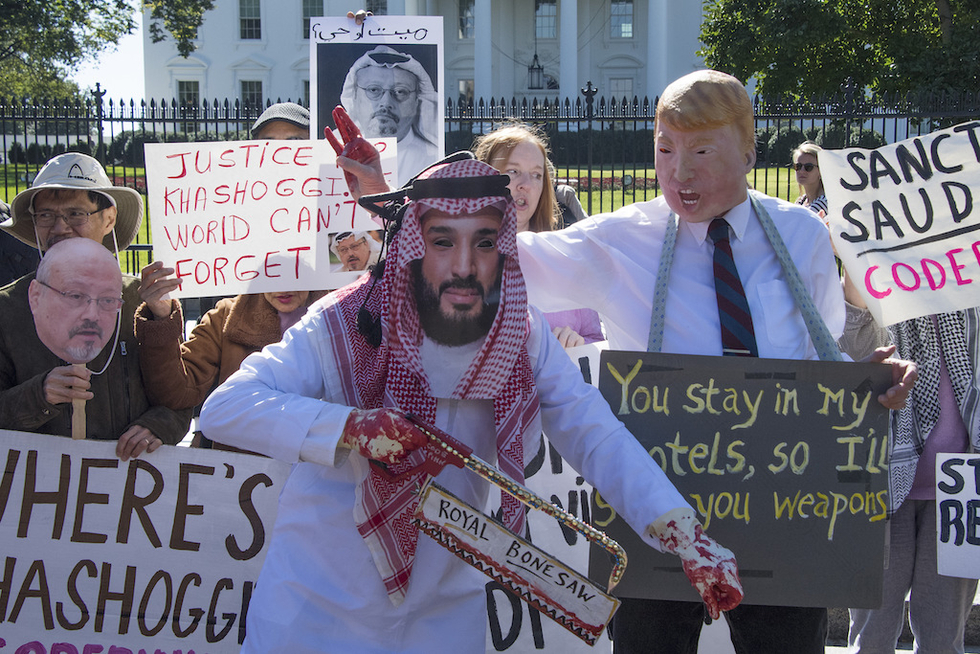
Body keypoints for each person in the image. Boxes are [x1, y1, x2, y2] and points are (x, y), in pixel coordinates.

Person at [198, 157, 743, 652]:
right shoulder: (343, 322)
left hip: (443, 614)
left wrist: (683, 533)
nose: (464, 266)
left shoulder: (520, 332)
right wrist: (352, 428)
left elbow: (592, 429)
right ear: (412, 244)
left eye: (483, 243)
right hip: (317, 607)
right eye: (442, 242)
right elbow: (228, 407)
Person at [514, 69, 917, 654]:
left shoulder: (800, 236)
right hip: (656, 513)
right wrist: (400, 207)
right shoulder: (619, 241)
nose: (680, 172)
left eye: (702, 151)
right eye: (665, 150)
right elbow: (493, 262)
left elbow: (820, 359)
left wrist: (868, 382)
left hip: (784, 509)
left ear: (749, 151)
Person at [0, 151, 190, 458]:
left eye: (76, 213)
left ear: (109, 218)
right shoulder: (8, 308)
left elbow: (178, 399)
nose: (59, 228)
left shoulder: (140, 302)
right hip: (39, 483)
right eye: (45, 215)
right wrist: (38, 395)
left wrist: (158, 426)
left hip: (128, 480)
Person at [839, 279, 979, 652]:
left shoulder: (971, 287)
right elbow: (854, 340)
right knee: (871, 637)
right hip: (879, 483)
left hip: (960, 490)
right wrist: (854, 259)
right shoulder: (882, 288)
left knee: (943, 639)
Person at [473, 123, 603, 348]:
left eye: (536, 175)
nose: (526, 185)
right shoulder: (457, 263)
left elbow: (597, 342)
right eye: (513, 172)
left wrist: (579, 345)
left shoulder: (567, 261)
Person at [340, 44, 440, 187]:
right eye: (373, 90)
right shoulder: (331, 151)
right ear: (354, 97)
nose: (386, 103)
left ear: (417, 102)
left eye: (400, 92)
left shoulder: (434, 159)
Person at [792, 141, 828, 216]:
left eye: (808, 167)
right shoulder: (801, 200)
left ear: (821, 171)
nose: (802, 171)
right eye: (798, 166)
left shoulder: (823, 203)